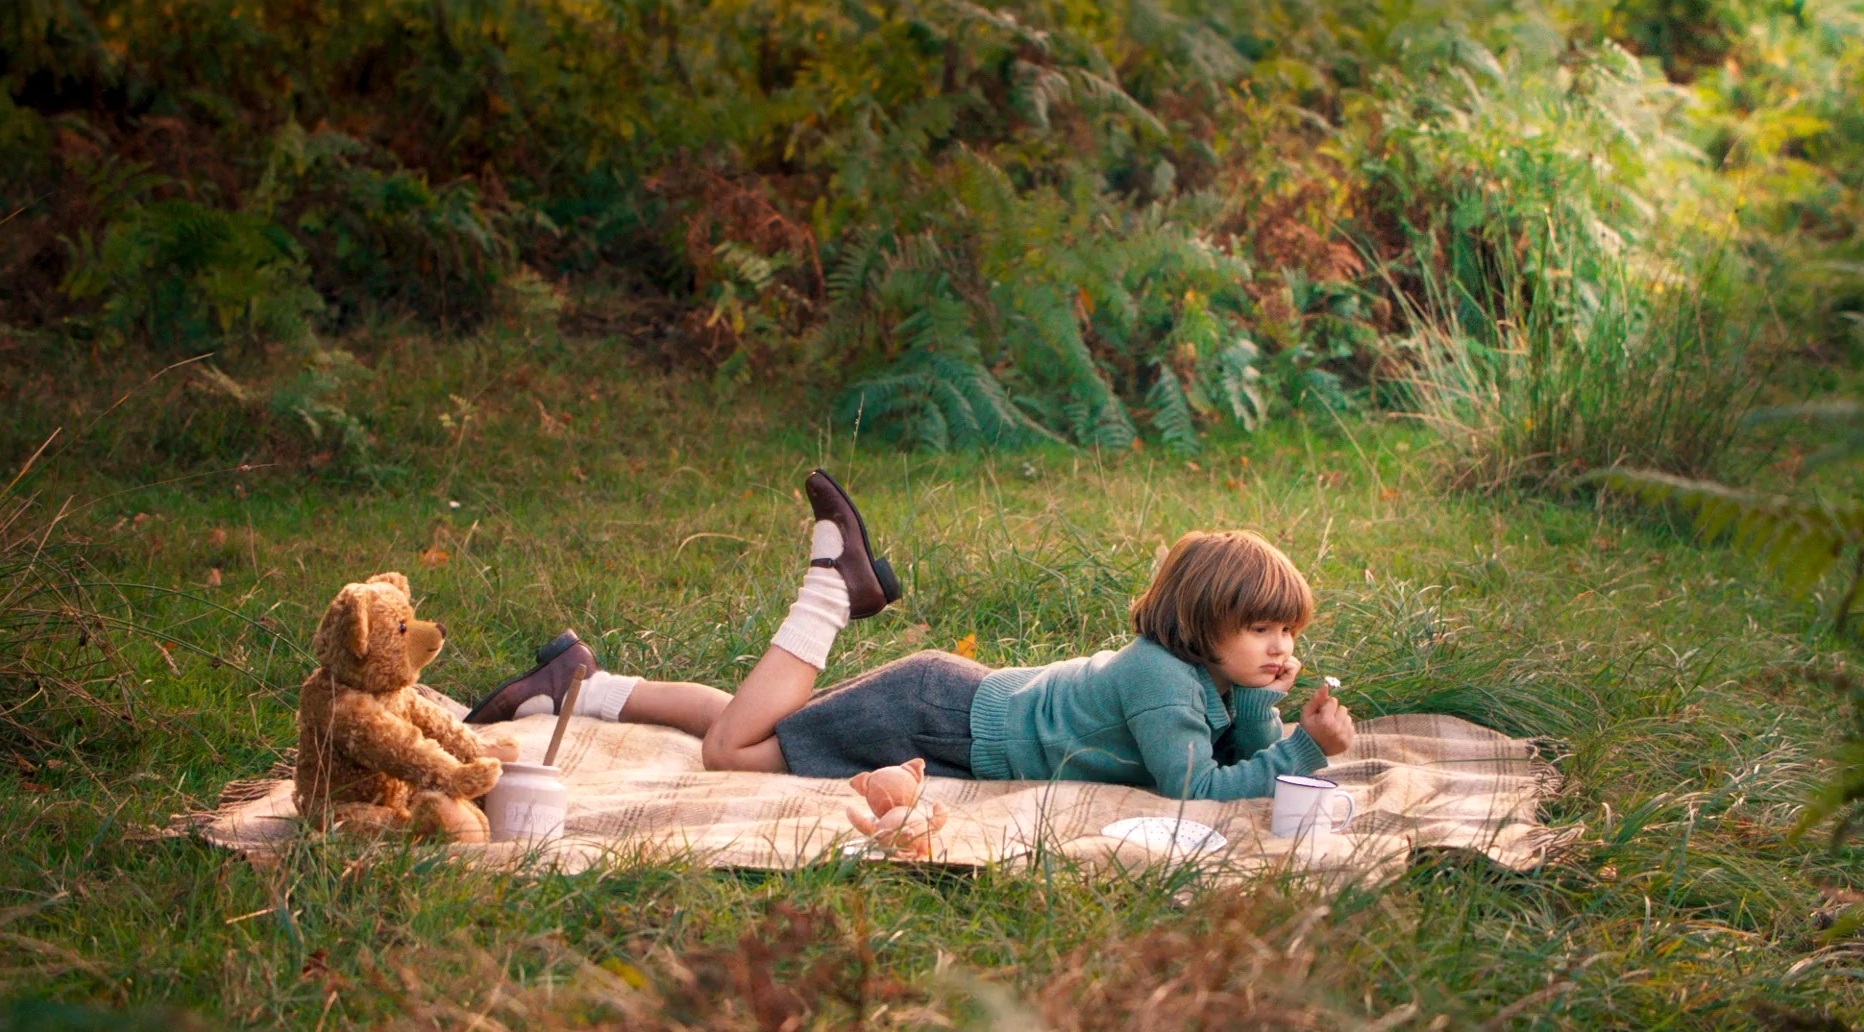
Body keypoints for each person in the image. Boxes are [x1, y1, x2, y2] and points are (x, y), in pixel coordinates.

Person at [465, 470, 1354, 801]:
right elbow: (1195, 787)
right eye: (1261, 630)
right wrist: (1305, 753)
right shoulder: (1161, 677)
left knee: (763, 723)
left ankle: (583, 685)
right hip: (937, 719)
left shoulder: (1206, 677)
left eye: (1288, 631)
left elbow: (1234, 751)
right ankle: (831, 590)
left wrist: (1264, 706)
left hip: (951, 706)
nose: (1282, 647)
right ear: (1201, 625)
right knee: (734, 754)